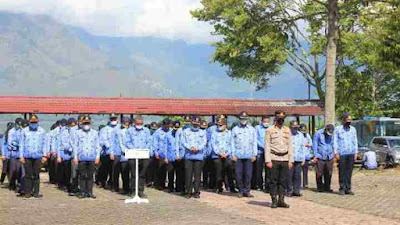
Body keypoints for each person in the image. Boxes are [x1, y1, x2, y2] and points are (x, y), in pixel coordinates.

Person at [265, 110, 293, 208]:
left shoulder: (287, 130)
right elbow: (267, 146)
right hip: (274, 158)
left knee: (283, 181)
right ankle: (274, 200)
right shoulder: (270, 130)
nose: (281, 120)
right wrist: (268, 160)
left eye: (282, 118)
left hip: (285, 158)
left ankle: (281, 200)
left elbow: (290, 146)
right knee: (273, 181)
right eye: (279, 118)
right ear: (275, 118)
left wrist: (291, 160)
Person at [19, 114, 47, 199]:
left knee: (36, 175)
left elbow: (44, 144)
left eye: (35, 122)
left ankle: (36, 193)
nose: (33, 124)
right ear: (29, 122)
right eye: (32, 122)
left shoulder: (42, 131)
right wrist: (21, 156)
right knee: (28, 175)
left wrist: (44, 156)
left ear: (38, 122)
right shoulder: (24, 131)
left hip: (38, 156)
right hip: (27, 156)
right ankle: (28, 192)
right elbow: (21, 144)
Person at [73, 115, 101, 199]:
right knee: (82, 175)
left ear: (90, 124)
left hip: (91, 157)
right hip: (82, 157)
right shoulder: (78, 133)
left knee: (90, 176)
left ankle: (89, 192)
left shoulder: (95, 133)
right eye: (85, 123)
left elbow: (97, 146)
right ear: (82, 124)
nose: (86, 125)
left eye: (88, 123)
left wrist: (97, 157)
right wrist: (75, 157)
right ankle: (82, 192)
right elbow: (75, 146)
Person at [231, 111, 257, 198]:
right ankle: (241, 190)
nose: (243, 120)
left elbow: (254, 142)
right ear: (239, 119)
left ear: (247, 119)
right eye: (242, 119)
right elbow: (232, 143)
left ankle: (247, 191)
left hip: (249, 155)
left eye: (245, 119)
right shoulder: (235, 129)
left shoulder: (252, 129)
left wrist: (254, 154)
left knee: (248, 174)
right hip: (238, 155)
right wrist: (233, 154)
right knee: (238, 174)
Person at [125, 115, 151, 198]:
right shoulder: (129, 131)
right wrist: (135, 149)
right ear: (134, 123)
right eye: (138, 123)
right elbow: (127, 142)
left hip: (143, 154)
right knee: (133, 173)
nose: (140, 125)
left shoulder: (146, 130)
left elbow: (149, 141)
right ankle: (133, 190)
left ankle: (140, 190)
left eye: (141, 123)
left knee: (142, 173)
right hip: (133, 154)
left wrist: (144, 149)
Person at [182, 116, 207, 198]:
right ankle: (188, 192)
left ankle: (196, 192)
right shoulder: (186, 131)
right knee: (188, 175)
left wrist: (197, 148)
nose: (195, 125)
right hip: (188, 156)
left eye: (197, 123)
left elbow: (204, 142)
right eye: (194, 123)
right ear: (191, 122)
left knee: (197, 175)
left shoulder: (202, 132)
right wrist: (190, 147)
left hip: (198, 156)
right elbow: (183, 142)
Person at [334, 113, 358, 195]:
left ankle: (348, 188)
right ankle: (342, 188)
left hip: (351, 152)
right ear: (343, 120)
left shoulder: (353, 129)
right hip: (342, 153)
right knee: (342, 171)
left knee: (349, 171)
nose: (349, 122)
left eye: (350, 120)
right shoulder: (338, 129)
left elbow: (355, 141)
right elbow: (335, 141)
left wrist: (356, 152)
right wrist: (336, 152)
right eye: (347, 120)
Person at [210, 118, 235, 193]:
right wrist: (220, 153)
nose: (219, 126)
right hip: (217, 155)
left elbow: (232, 144)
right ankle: (218, 187)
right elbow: (213, 144)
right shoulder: (214, 133)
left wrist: (226, 154)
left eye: (221, 125)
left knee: (230, 172)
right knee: (218, 172)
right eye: (218, 125)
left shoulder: (230, 133)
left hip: (227, 155)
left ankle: (231, 187)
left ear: (225, 125)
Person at [153, 118, 175, 192]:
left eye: (168, 125)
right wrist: (156, 152)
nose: (167, 126)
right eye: (165, 125)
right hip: (161, 154)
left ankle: (170, 186)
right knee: (161, 171)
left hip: (170, 154)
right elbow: (155, 142)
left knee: (170, 171)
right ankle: (161, 185)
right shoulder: (158, 132)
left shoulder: (172, 131)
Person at [99, 113, 119, 189]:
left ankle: (113, 184)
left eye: (114, 119)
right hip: (106, 152)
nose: (113, 120)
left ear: (117, 119)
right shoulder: (104, 129)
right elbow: (102, 140)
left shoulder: (120, 128)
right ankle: (103, 183)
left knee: (114, 170)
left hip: (117, 153)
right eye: (111, 119)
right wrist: (109, 147)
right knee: (105, 169)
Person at [313, 124, 335, 192]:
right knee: (319, 173)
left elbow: (333, 144)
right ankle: (320, 187)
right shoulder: (318, 133)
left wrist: (333, 155)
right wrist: (315, 155)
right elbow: (315, 145)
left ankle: (327, 187)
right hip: (320, 156)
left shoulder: (332, 135)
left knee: (328, 173)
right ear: (325, 129)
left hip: (329, 156)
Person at [286, 121, 306, 197]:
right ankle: (289, 190)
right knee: (289, 175)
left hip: (299, 158)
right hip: (290, 158)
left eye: (296, 126)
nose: (295, 127)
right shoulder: (287, 134)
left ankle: (296, 190)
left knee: (297, 176)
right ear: (290, 126)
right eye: (293, 126)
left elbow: (303, 147)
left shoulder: (300, 135)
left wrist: (303, 158)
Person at [112, 117, 131, 194]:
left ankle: (126, 188)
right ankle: (115, 187)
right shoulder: (116, 130)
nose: (126, 123)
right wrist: (111, 152)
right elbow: (112, 141)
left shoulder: (130, 130)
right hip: (117, 152)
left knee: (125, 171)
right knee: (115, 171)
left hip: (126, 153)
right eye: (124, 122)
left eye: (127, 122)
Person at [7, 118, 25, 194]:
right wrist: (16, 146)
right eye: (18, 124)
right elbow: (10, 142)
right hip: (13, 153)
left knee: (20, 171)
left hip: (21, 154)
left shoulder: (22, 131)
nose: (19, 126)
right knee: (13, 170)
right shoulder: (11, 131)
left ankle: (19, 185)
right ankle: (12, 184)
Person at [253, 116, 270, 191]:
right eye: (265, 121)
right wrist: (262, 146)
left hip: (268, 151)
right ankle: (259, 185)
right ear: (262, 121)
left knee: (268, 169)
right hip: (260, 151)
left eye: (267, 121)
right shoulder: (257, 128)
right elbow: (255, 139)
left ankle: (267, 186)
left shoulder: (270, 128)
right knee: (258, 169)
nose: (266, 123)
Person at [56, 119, 73, 193]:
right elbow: (62, 143)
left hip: (71, 155)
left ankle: (68, 185)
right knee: (65, 171)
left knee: (70, 172)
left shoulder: (74, 132)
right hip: (65, 154)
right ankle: (64, 185)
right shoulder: (64, 132)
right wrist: (70, 148)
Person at [299, 124, 312, 189]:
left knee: (305, 171)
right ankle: (298, 184)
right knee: (298, 172)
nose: (303, 131)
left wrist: (308, 144)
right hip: (299, 156)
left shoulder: (307, 135)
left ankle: (305, 184)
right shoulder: (298, 135)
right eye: (302, 130)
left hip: (306, 156)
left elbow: (311, 144)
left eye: (304, 130)